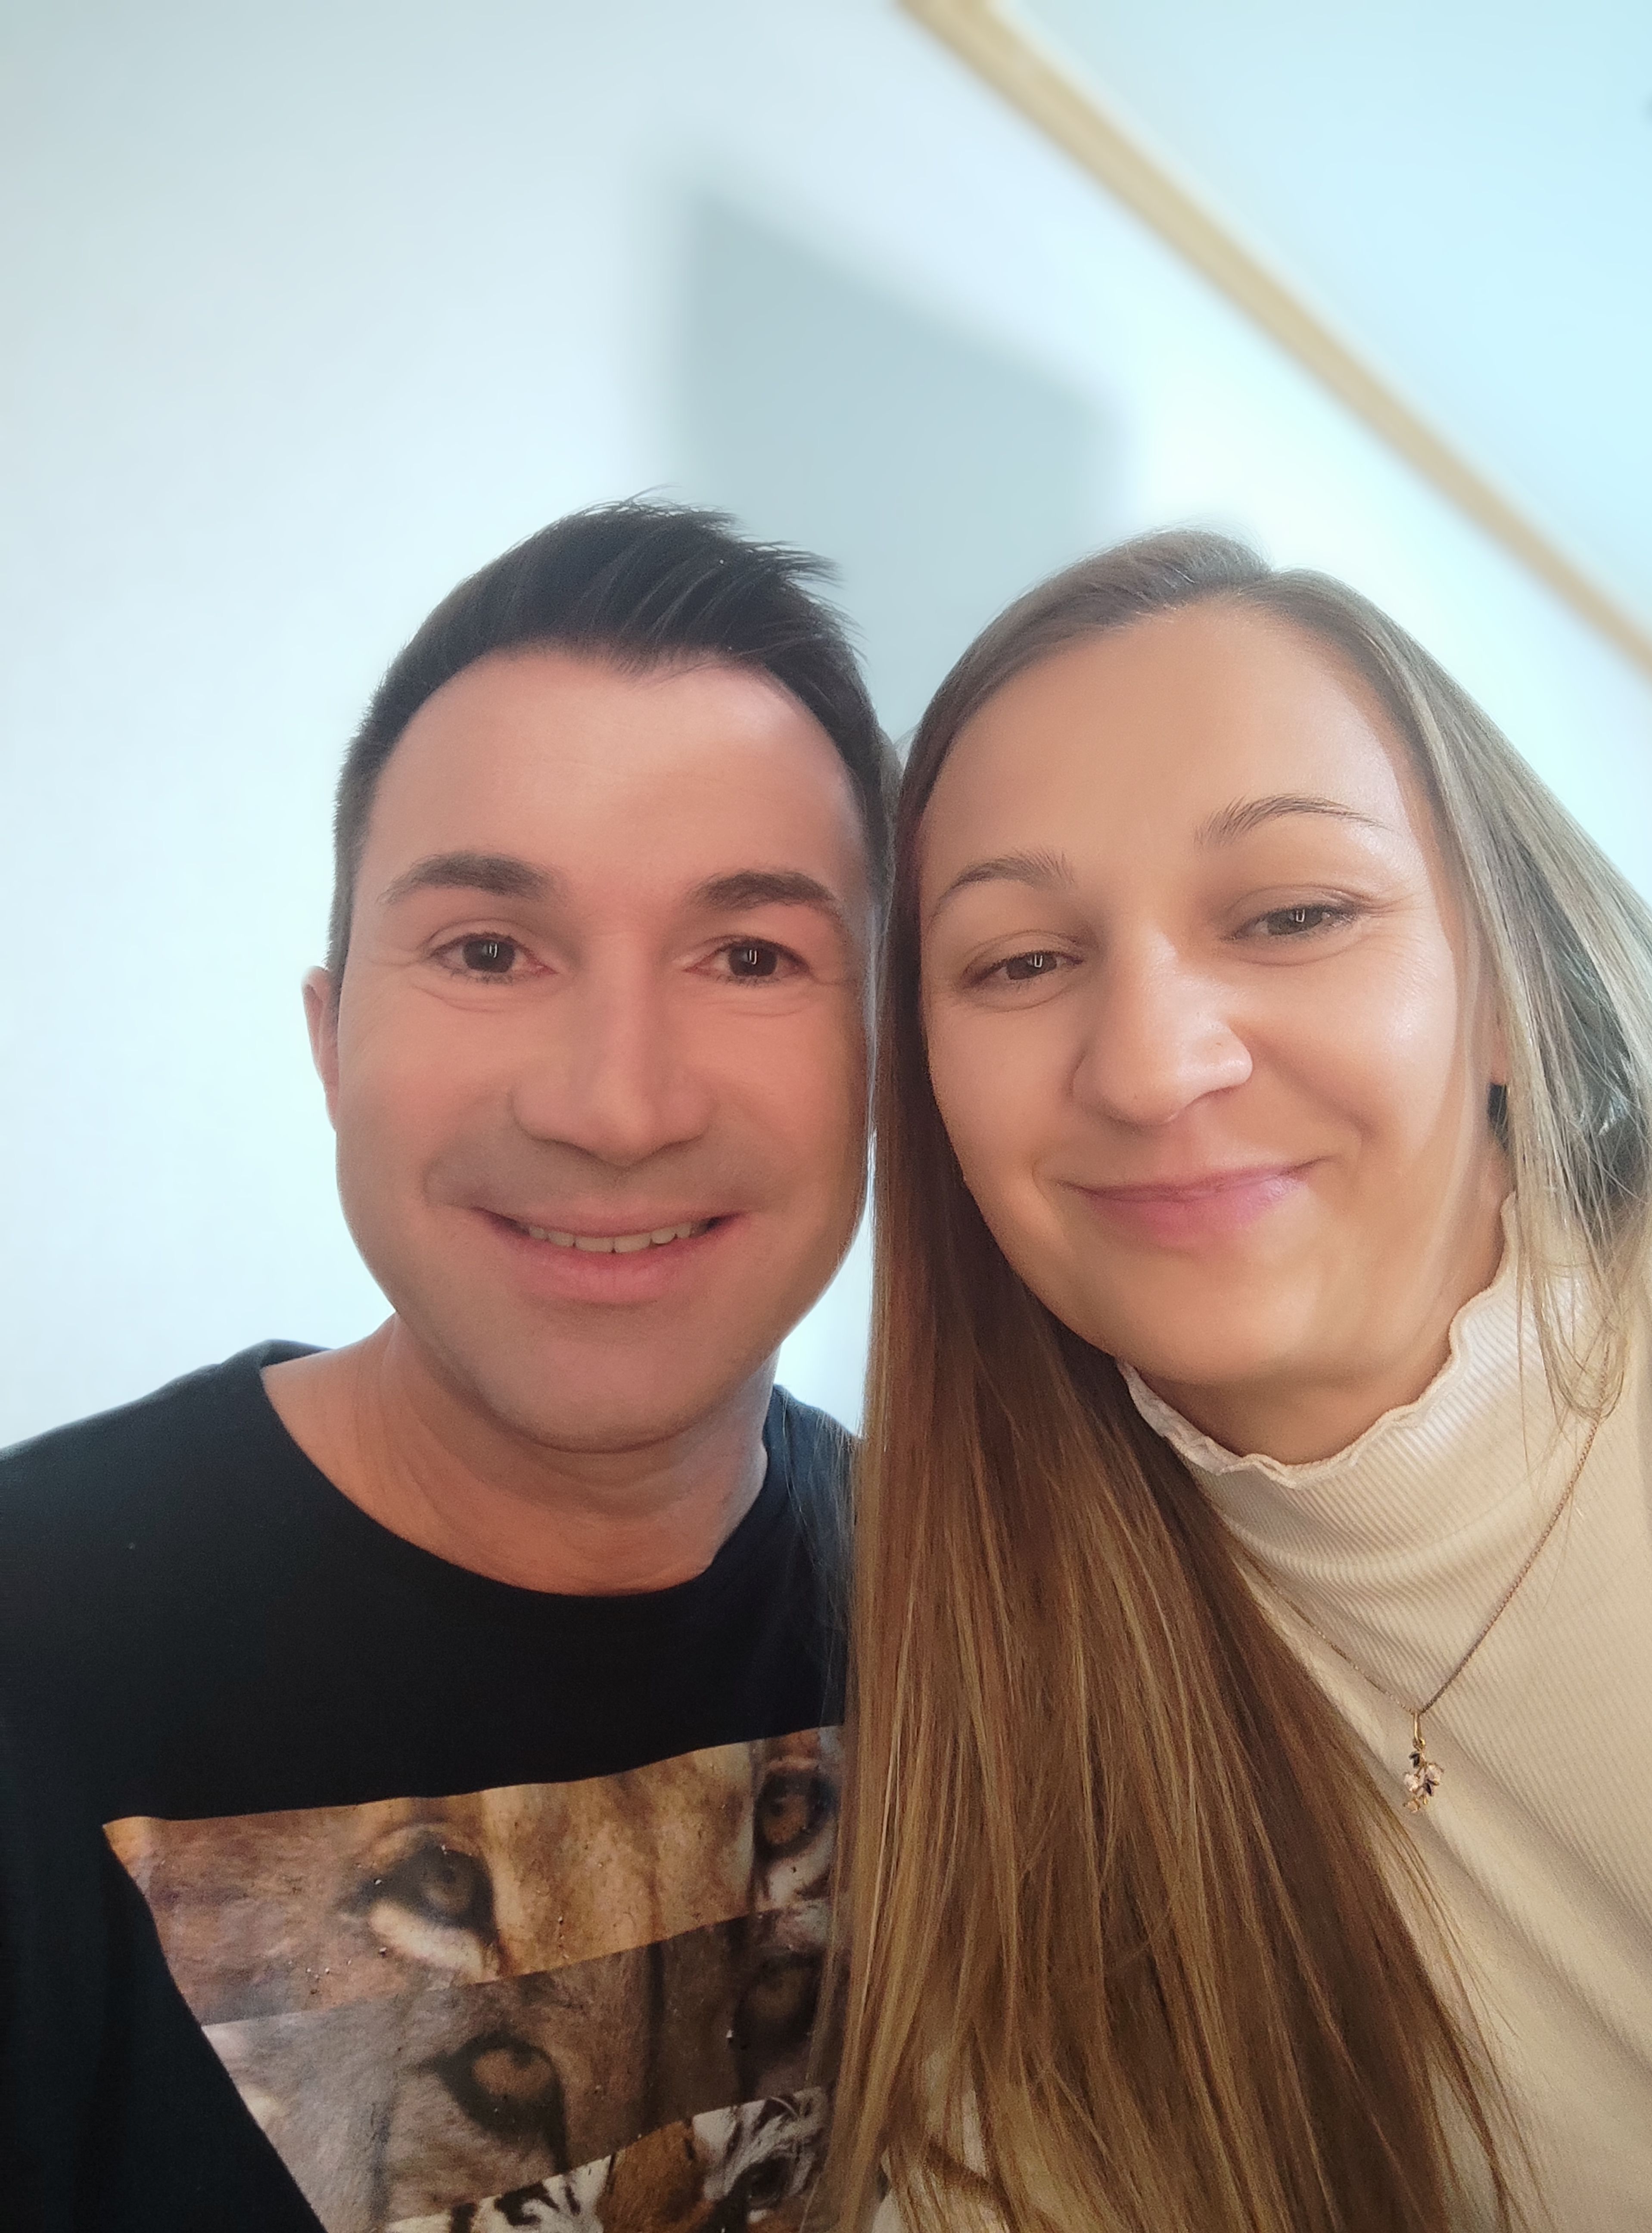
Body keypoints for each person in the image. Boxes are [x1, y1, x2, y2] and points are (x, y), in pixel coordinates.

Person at [0, 500, 893, 2230]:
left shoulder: (969, 1613)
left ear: (883, 1065)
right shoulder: (35, 1647)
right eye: (489, 949)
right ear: (332, 1039)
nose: (615, 1104)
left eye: (751, 955)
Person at [830, 531, 1652, 2233]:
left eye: (1294, 915)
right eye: (1018, 961)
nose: (1152, 1067)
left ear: (1504, 990)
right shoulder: (993, 1676)